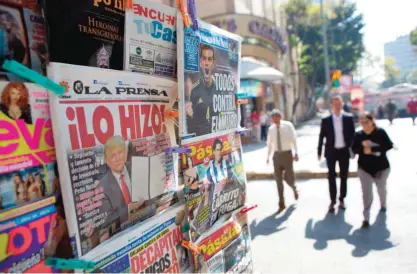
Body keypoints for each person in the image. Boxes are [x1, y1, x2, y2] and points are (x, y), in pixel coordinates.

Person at [96, 136, 144, 243]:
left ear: (126, 153)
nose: (118, 158)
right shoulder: (102, 188)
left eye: (120, 152)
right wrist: (129, 208)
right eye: (113, 156)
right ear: (107, 161)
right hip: (122, 238)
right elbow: (106, 221)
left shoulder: (137, 167)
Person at [351, 112, 393, 228]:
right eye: (362, 122)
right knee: (367, 193)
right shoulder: (358, 135)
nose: (365, 125)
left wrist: (374, 149)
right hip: (364, 168)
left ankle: (383, 205)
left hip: (382, 167)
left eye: (367, 122)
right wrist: (362, 148)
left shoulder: (380, 132)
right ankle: (366, 218)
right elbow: (354, 149)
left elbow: (389, 145)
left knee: (381, 188)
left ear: (372, 121)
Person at [318, 95, 355, 212]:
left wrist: (354, 150)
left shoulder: (349, 118)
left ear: (342, 104)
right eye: (335, 104)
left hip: (344, 151)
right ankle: (332, 200)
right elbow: (321, 136)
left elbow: (353, 135)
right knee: (331, 176)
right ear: (331, 105)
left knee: (344, 176)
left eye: (339, 103)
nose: (337, 106)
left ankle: (342, 199)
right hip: (331, 152)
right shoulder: (326, 120)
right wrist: (319, 151)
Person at [266, 109, 299, 213]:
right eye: (273, 118)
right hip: (277, 156)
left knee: (289, 177)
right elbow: (269, 144)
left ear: (281, 117)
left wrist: (296, 153)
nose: (275, 120)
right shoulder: (271, 129)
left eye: (277, 117)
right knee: (278, 181)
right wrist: (268, 157)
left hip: (287, 155)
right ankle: (281, 203)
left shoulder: (288, 126)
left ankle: (294, 188)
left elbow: (294, 139)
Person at [186, 45, 216, 136]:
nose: (206, 63)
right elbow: (191, 126)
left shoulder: (221, 87)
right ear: (200, 62)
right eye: (204, 58)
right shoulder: (194, 90)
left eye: (209, 59)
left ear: (213, 63)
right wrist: (190, 115)